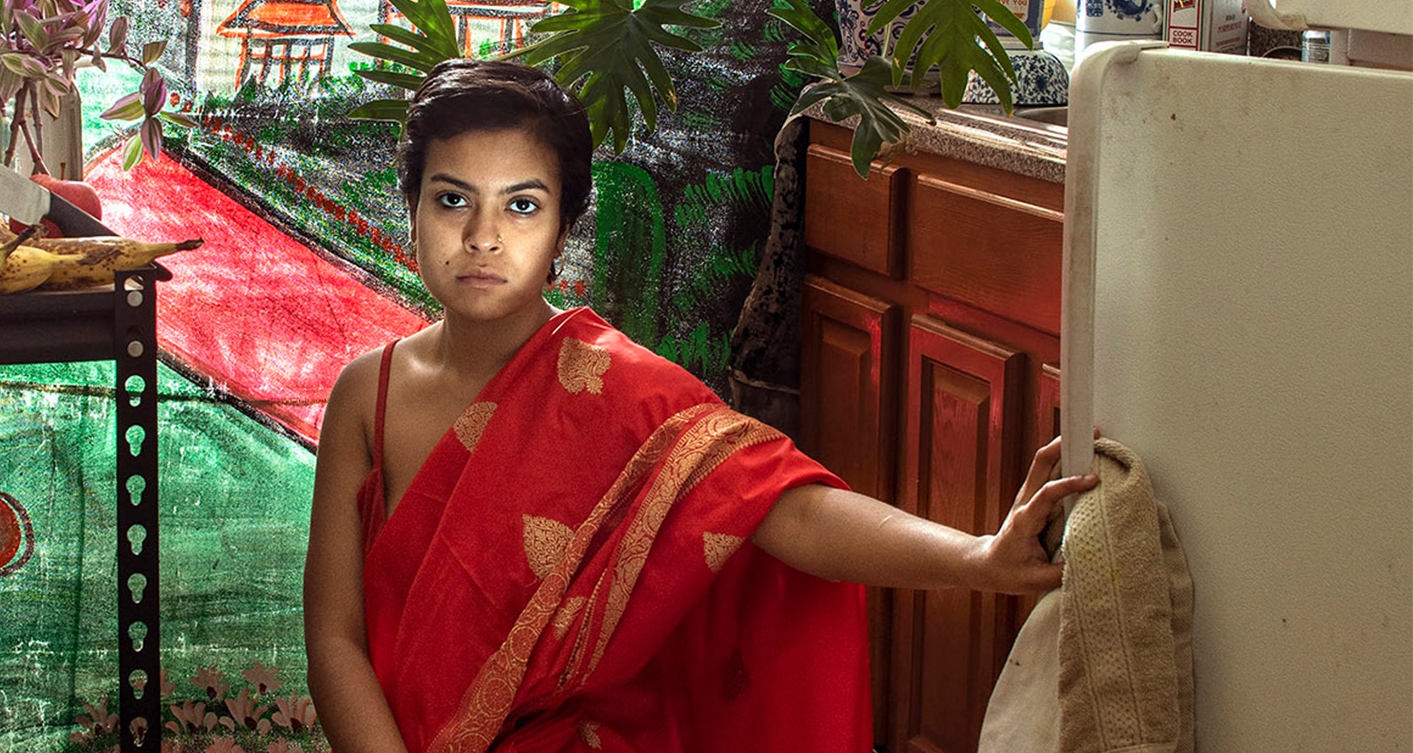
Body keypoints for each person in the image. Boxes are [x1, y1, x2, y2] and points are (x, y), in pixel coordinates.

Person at [303, 58, 1097, 753]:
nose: (482, 236)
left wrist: (976, 556)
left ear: (563, 226)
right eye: (451, 200)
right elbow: (334, 637)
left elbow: (787, 511)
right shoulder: (365, 396)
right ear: (407, 204)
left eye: (520, 205)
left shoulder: (621, 390)